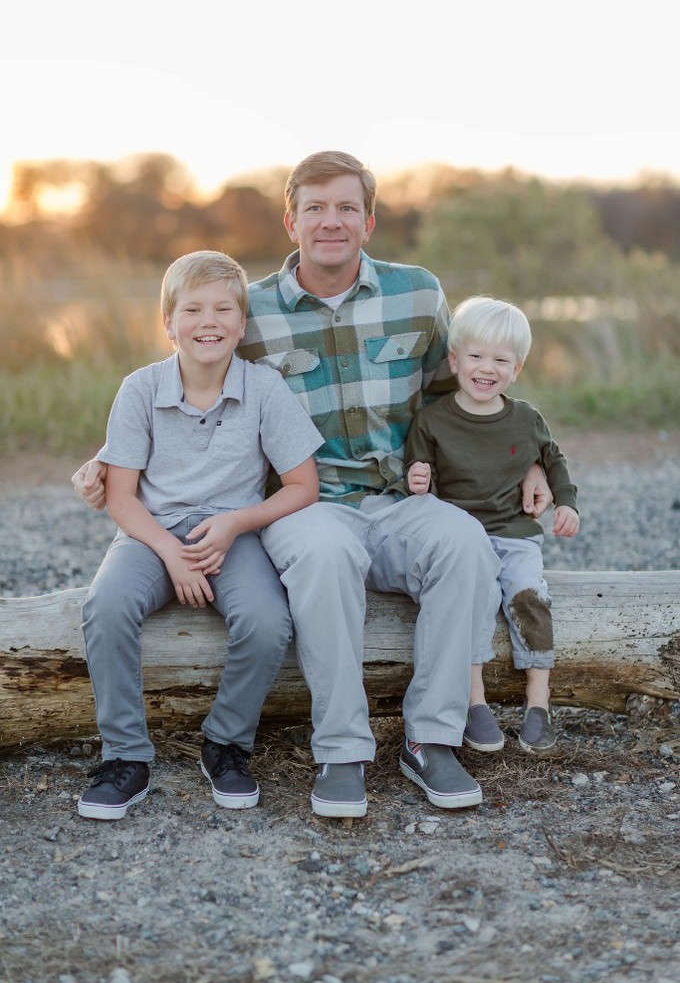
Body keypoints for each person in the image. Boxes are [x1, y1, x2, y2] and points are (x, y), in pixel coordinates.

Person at [73, 151, 551, 818]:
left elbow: (465, 395)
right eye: (316, 208)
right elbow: (190, 373)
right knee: (325, 557)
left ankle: (430, 738)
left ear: (369, 220)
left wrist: (526, 458)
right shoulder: (254, 310)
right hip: (309, 502)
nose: (332, 221)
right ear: (291, 221)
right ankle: (342, 749)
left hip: (401, 500)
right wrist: (106, 459)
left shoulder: (417, 294)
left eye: (347, 208)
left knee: (465, 543)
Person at [77, 250, 323, 820]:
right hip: (151, 533)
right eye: (192, 309)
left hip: (232, 536)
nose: (207, 321)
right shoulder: (139, 389)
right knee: (105, 606)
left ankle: (227, 742)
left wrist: (238, 522)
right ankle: (126, 757)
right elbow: (120, 496)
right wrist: (170, 553)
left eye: (222, 310)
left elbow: (301, 486)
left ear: (241, 324)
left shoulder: (263, 388)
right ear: (168, 322)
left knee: (267, 622)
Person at [405, 295, 579, 755]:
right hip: (463, 538)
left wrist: (568, 503)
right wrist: (418, 479)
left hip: (515, 533)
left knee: (530, 597)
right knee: (472, 605)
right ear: (455, 360)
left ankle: (538, 703)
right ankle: (474, 703)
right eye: (476, 357)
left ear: (517, 368)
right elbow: (421, 476)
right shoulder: (432, 420)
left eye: (500, 360)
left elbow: (553, 459)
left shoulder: (525, 418)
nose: (487, 368)